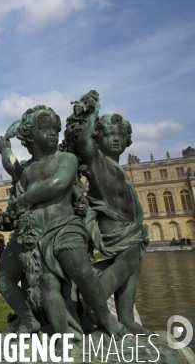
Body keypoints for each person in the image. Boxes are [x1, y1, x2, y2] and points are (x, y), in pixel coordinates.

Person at [0, 105, 124, 338]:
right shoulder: (26, 169)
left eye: (55, 129)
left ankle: (107, 319)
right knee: (5, 280)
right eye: (45, 129)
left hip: (64, 226)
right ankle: (28, 320)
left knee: (82, 273)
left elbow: (59, 183)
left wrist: (25, 199)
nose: (53, 133)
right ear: (30, 135)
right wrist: (5, 149)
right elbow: (11, 165)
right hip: (32, 232)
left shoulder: (66, 158)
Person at [74, 94, 149, 335]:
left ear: (127, 139)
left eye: (120, 135)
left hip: (129, 224)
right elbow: (84, 141)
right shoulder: (98, 160)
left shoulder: (117, 166)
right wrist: (92, 111)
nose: (115, 139)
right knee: (126, 261)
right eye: (108, 135)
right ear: (98, 138)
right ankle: (92, 305)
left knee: (132, 264)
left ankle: (126, 318)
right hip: (113, 222)